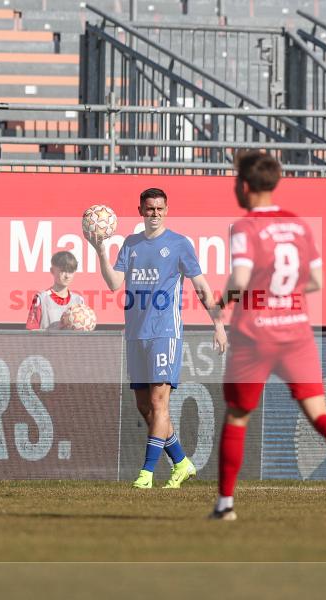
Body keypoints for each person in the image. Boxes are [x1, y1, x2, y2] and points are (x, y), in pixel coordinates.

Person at [209, 151, 326, 521]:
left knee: (238, 417)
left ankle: (225, 505)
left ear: (243, 185)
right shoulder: (299, 226)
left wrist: (222, 302)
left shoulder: (245, 227)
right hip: (296, 333)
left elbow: (240, 279)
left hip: (255, 334)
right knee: (319, 413)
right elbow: (317, 281)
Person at [90, 188, 226, 489]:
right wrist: (99, 249)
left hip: (165, 332)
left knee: (159, 402)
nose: (154, 214)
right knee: (146, 408)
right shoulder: (131, 243)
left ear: (167, 210)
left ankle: (147, 473)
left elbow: (201, 285)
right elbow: (114, 283)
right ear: (140, 210)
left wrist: (218, 324)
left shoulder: (178, 244)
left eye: (159, 209)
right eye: (149, 209)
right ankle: (181, 462)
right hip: (136, 334)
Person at [26, 250, 86, 330]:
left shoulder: (79, 301)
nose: (67, 276)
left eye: (70, 271)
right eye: (63, 271)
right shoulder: (40, 299)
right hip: (46, 342)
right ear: (52, 271)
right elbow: (31, 331)